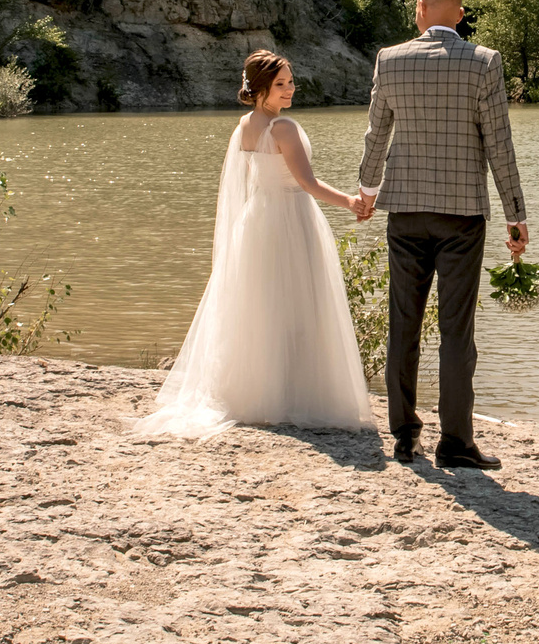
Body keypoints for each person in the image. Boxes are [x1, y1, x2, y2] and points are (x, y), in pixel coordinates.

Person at [136, 51, 376, 439]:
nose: (290, 89)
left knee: (260, 306)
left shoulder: (246, 125)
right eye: (280, 84)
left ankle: (257, 394)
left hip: (256, 220)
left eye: (291, 81)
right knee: (298, 305)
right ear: (260, 88)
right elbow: (307, 183)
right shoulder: (284, 128)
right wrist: (351, 202)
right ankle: (295, 394)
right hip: (290, 219)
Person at [356, 0, 527, 470]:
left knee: (403, 325)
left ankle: (405, 437)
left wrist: (367, 193)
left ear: (420, 11)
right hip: (461, 216)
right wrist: (515, 215)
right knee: (456, 332)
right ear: (459, 14)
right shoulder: (483, 62)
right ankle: (455, 443)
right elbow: (499, 144)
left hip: (405, 213)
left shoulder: (390, 60)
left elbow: (376, 136)